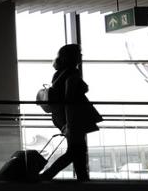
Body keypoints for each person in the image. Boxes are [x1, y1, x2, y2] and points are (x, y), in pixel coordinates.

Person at [40, 44, 102, 181]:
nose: (81, 56)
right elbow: (70, 99)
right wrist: (70, 123)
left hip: (62, 117)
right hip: (73, 118)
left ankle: (82, 178)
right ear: (72, 57)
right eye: (79, 54)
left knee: (77, 150)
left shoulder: (59, 74)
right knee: (76, 150)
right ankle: (47, 176)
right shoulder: (72, 73)